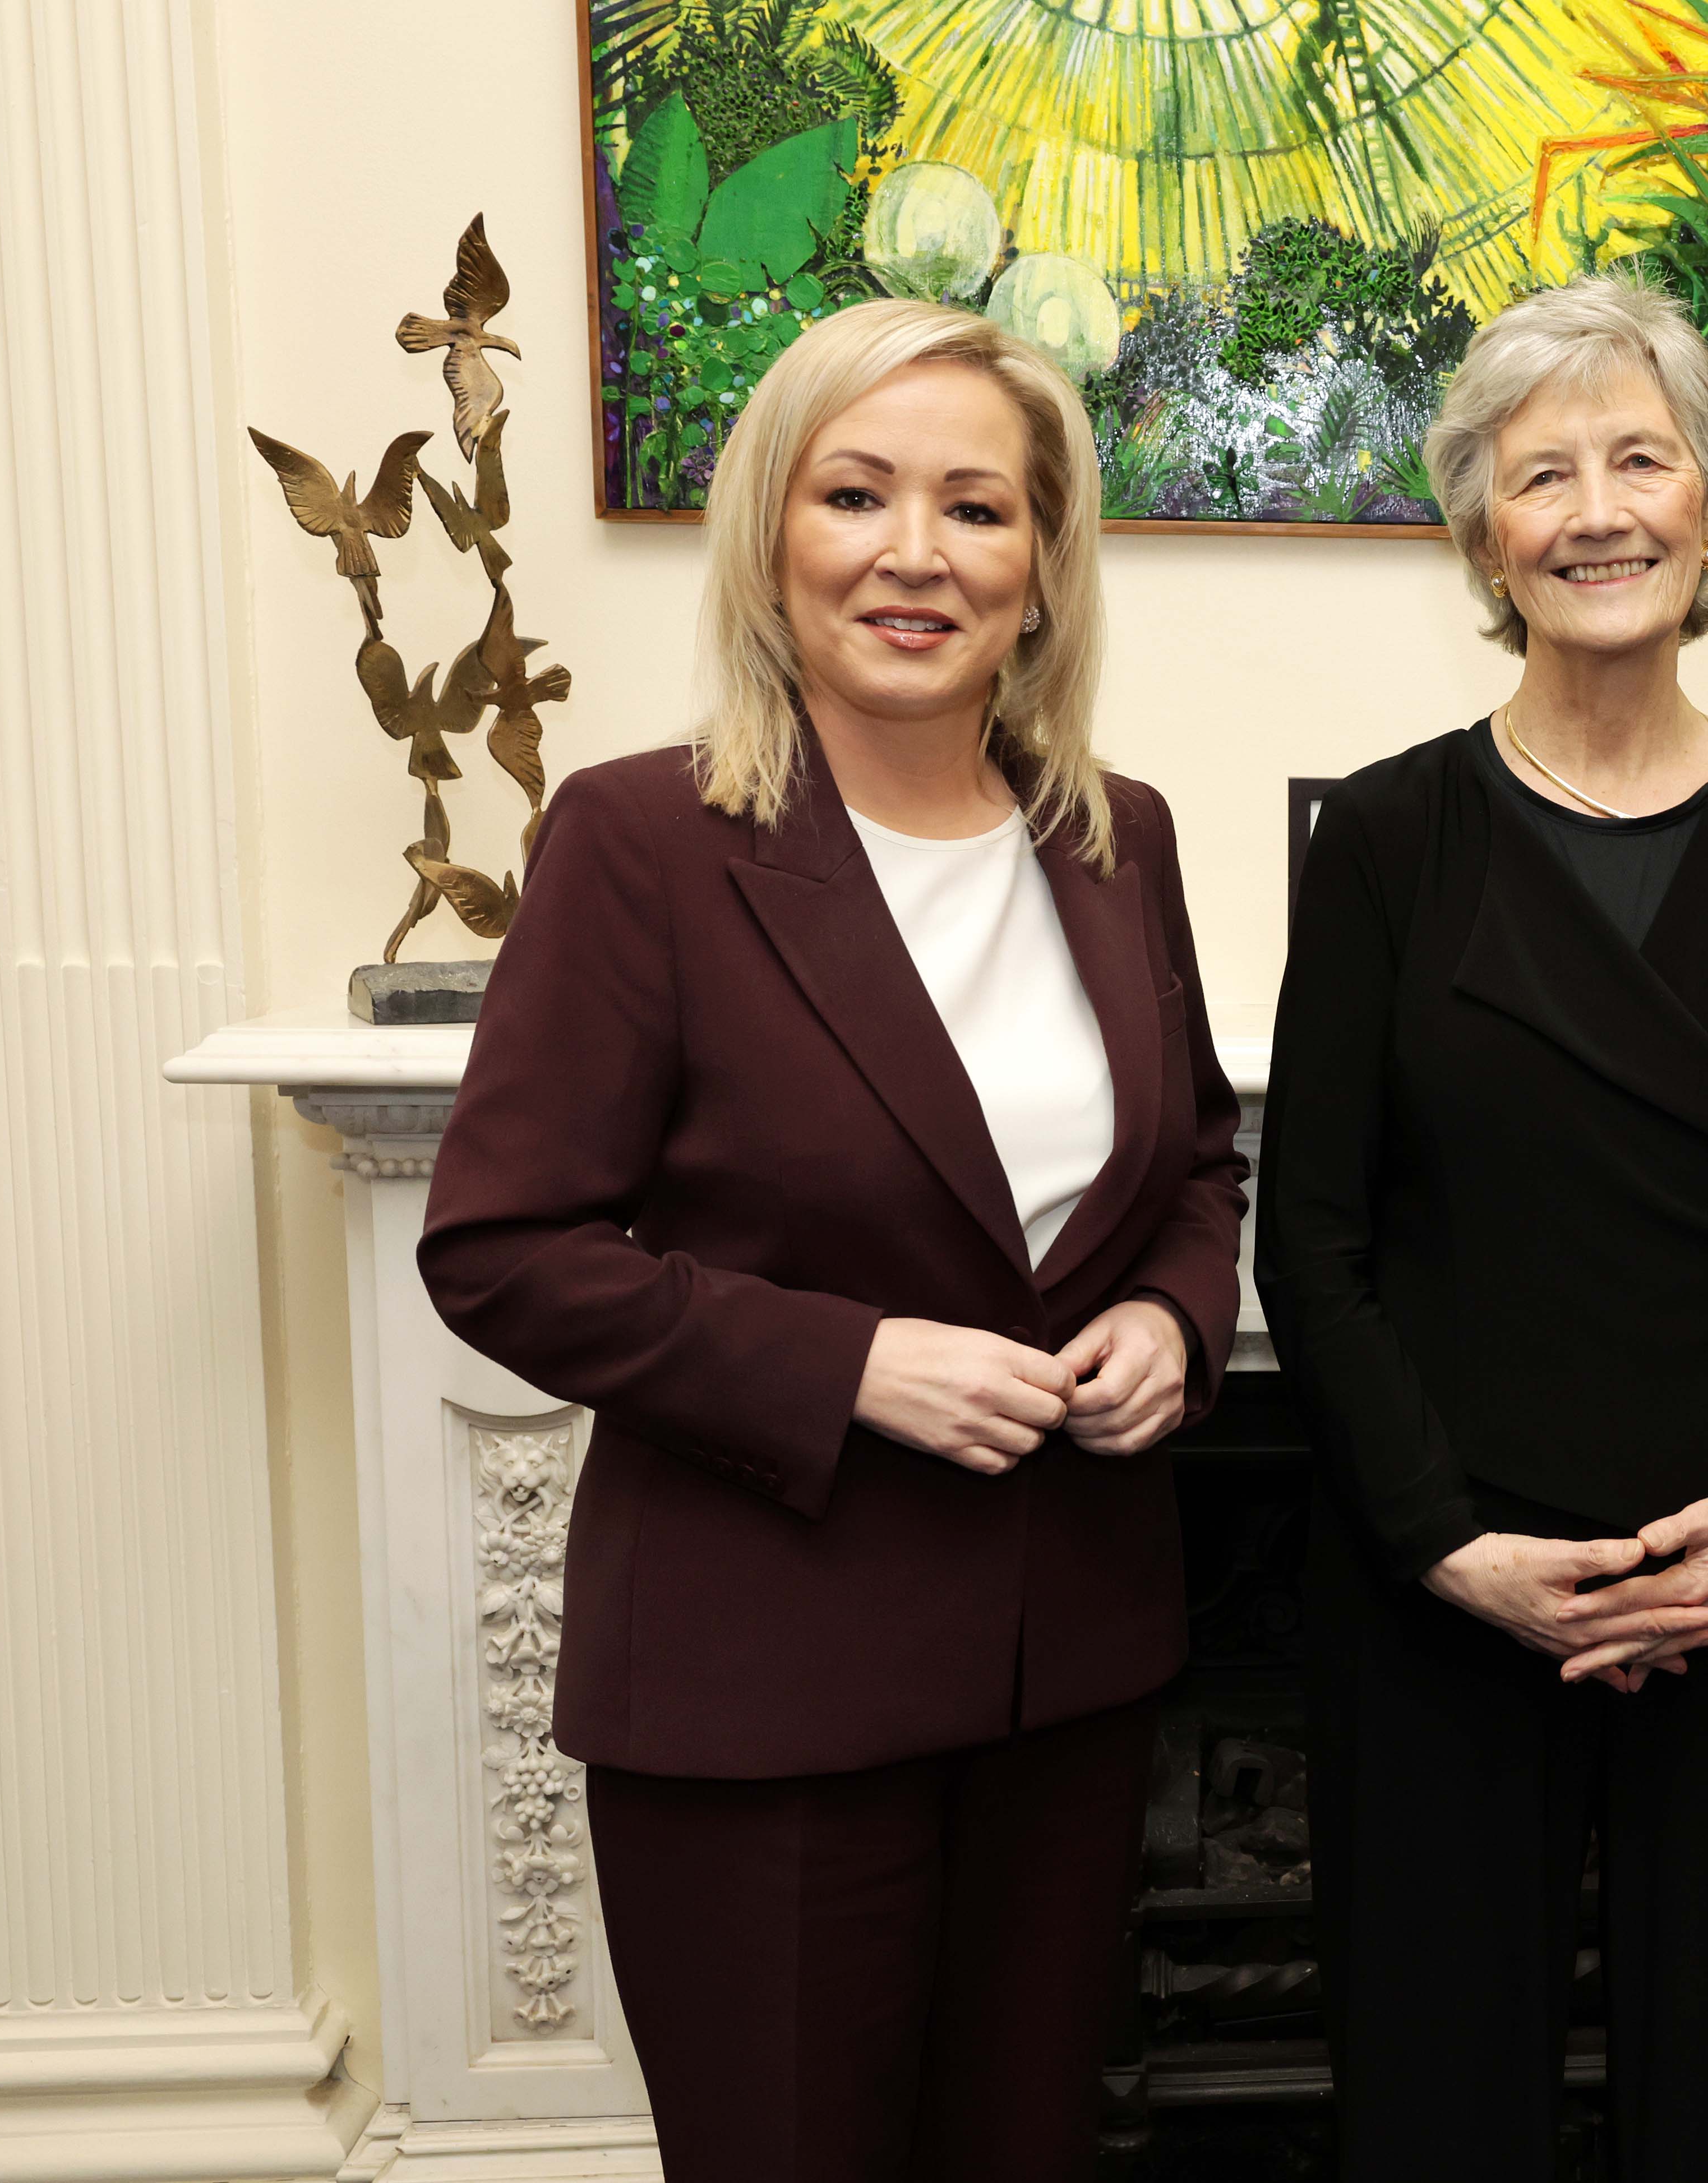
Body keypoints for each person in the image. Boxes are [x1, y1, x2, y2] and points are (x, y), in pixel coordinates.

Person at [418, 299, 1248, 2183]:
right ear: (770, 539)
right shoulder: (643, 842)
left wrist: (1175, 1326)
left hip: (1070, 1668)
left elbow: (1195, 1164)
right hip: (762, 1685)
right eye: (855, 494)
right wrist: (848, 1362)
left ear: (1040, 568)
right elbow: (504, 1247)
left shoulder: (1118, 839)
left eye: (976, 508)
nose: (913, 553)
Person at [1253, 271, 1708, 2182]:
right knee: (1439, 2099)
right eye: (1542, 475)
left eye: (1642, 459)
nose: (1598, 510)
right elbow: (1313, 1239)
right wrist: (1450, 1543)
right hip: (1445, 1584)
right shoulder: (1385, 836)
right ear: (1482, 533)